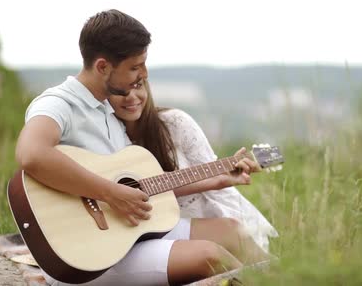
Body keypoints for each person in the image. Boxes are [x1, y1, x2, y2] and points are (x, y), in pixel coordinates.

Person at [15, 9, 271, 286]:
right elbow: (31, 154)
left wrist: (215, 179)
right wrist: (111, 193)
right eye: (136, 67)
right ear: (103, 67)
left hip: (126, 234)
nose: (144, 73)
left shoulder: (107, 111)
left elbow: (138, 188)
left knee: (233, 233)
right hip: (87, 257)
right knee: (209, 255)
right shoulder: (58, 103)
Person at [108, 78, 278, 252]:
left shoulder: (174, 123)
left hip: (207, 220)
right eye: (119, 91)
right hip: (149, 232)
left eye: (137, 86)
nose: (131, 97)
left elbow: (212, 177)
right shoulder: (105, 137)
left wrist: (222, 179)